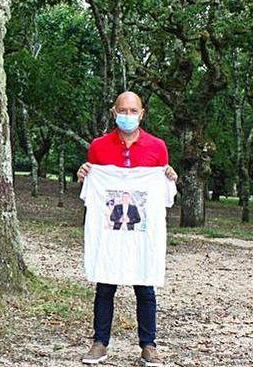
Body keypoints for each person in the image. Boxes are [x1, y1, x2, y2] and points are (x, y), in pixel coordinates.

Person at [76, 91, 177, 367]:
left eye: (133, 111)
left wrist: (169, 178)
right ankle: (100, 342)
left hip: (141, 235)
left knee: (145, 287)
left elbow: (165, 195)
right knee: (105, 284)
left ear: (142, 114)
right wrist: (84, 174)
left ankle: (148, 345)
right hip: (110, 234)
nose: (128, 116)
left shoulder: (158, 147)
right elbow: (90, 190)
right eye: (123, 110)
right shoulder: (98, 147)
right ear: (114, 112)